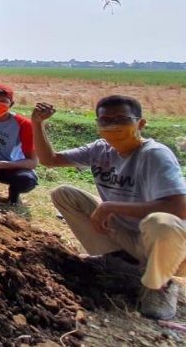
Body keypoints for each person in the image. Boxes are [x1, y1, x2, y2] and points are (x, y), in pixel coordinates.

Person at [32, 95, 186, 320]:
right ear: (98, 126)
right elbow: (50, 159)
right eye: (106, 121)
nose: (113, 126)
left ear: (140, 123)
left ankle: (159, 285)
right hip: (126, 235)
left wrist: (112, 206)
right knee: (64, 194)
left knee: (162, 222)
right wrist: (37, 123)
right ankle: (120, 262)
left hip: (168, 245)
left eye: (122, 119)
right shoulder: (100, 150)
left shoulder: (154, 155)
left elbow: (178, 207)